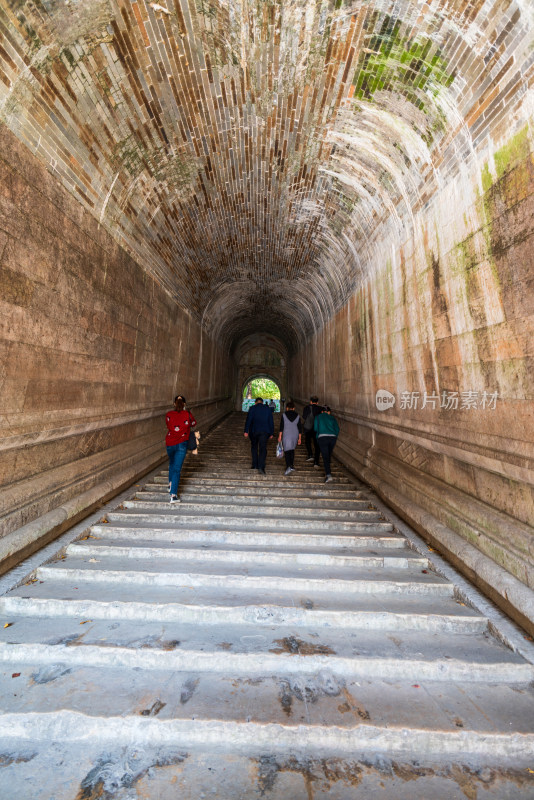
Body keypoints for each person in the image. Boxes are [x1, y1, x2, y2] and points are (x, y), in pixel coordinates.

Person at [165, 396, 196, 503]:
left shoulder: (169, 414)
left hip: (170, 443)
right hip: (182, 444)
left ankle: (170, 484)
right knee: (177, 469)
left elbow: (168, 425)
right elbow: (193, 423)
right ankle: (173, 495)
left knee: (172, 464)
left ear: (174, 404)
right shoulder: (187, 414)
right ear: (184, 404)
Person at [244, 397, 274, 475]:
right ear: (262, 402)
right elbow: (271, 421)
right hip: (264, 432)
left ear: (255, 403)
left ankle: (254, 465)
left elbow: (249, 420)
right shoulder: (267, 409)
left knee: (254, 447)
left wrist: (246, 431)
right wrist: (271, 433)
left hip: (254, 431)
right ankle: (261, 466)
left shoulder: (252, 408)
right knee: (263, 449)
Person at [314, 406, 340, 483]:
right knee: (328, 455)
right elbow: (337, 429)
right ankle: (328, 471)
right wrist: (334, 435)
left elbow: (315, 428)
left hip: (322, 438)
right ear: (328, 412)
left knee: (325, 456)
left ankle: (328, 475)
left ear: (322, 411)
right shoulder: (332, 418)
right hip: (332, 438)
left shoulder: (318, 417)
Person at [278, 400, 302, 475]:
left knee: (287, 450)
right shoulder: (297, 416)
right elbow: (300, 428)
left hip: (286, 433)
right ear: (294, 408)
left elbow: (281, 427)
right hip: (295, 433)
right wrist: (299, 438)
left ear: (287, 408)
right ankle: (291, 465)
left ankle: (288, 466)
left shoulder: (284, 415)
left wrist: (279, 436)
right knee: (292, 449)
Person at [302, 395, 324, 467]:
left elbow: (304, 417)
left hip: (308, 428)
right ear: (317, 402)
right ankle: (316, 462)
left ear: (310, 401)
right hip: (317, 429)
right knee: (317, 445)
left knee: (307, 441)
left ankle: (310, 455)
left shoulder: (306, 408)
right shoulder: (320, 409)